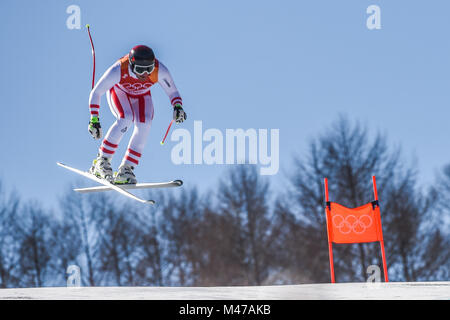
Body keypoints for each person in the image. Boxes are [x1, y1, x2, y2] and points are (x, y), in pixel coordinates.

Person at [87, 45, 186, 184]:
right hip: (120, 92)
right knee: (126, 118)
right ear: (132, 65)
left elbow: (173, 92)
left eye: (149, 69)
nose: (145, 74)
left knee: (145, 123)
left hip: (142, 95)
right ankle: (101, 161)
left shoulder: (159, 70)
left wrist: (177, 107)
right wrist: (94, 119)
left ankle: (126, 169)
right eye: (140, 70)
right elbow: (96, 92)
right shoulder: (119, 69)